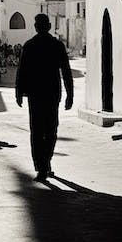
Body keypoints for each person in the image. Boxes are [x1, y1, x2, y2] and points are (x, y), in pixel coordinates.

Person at [15, 13, 73, 182]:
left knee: (37, 131)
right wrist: (70, 94)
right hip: (51, 94)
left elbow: (21, 72)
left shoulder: (30, 45)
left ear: (36, 27)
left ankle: (41, 165)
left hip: (36, 95)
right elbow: (66, 72)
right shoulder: (56, 45)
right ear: (48, 26)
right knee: (50, 130)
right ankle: (45, 163)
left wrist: (19, 92)